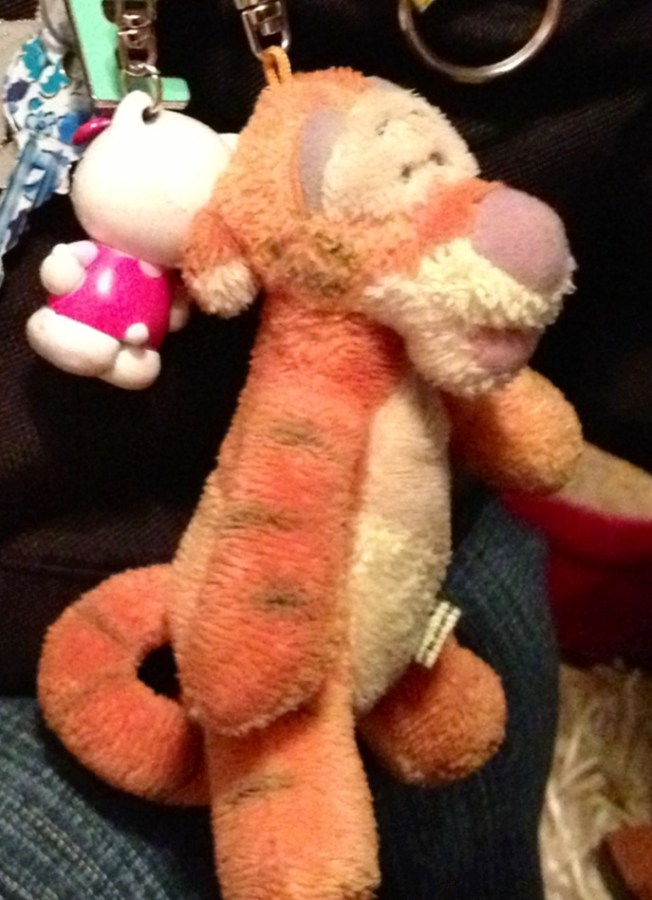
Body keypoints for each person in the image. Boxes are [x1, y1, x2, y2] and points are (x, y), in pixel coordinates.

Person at [0, 1, 649, 897]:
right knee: (290, 776)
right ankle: (288, 808)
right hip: (209, 608)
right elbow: (271, 543)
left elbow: (543, 436)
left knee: (483, 700)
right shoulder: (302, 377)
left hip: (424, 550)